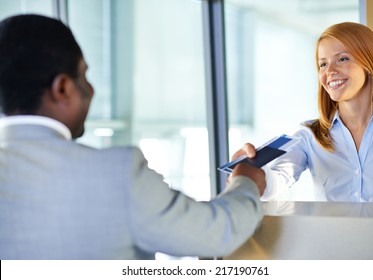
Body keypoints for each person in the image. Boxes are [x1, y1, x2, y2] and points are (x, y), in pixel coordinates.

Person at [0, 14, 265, 260]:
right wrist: (246, 181)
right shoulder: (115, 173)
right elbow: (217, 232)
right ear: (63, 89)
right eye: (84, 75)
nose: (91, 89)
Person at [234, 22, 373, 203]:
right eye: (323, 64)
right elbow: (274, 182)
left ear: (369, 63)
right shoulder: (310, 135)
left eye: (342, 59)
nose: (330, 71)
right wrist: (248, 172)